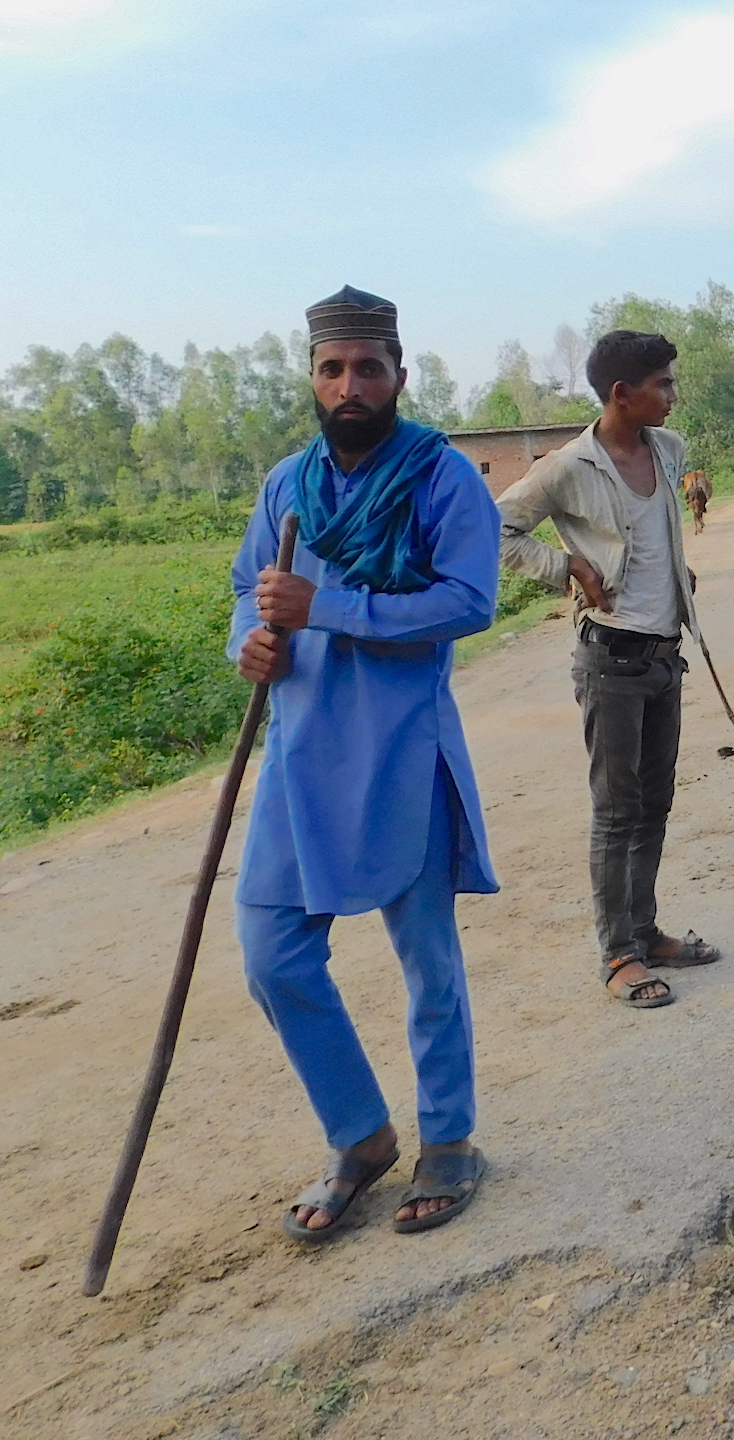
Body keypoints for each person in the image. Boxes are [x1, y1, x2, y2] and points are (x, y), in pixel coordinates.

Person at [231, 287, 501, 1243]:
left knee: (428, 962)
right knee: (272, 957)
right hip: (298, 755)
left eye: (369, 368)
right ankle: (361, 1136)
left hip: (402, 753)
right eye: (333, 369)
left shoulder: (442, 477)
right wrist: (250, 644)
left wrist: (329, 610)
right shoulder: (286, 485)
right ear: (312, 377)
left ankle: (450, 1140)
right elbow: (251, 590)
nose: (351, 385)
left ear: (399, 375)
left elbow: (469, 602)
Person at [498, 330, 717, 1010]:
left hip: (664, 657)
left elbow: (651, 533)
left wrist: (675, 571)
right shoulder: (568, 467)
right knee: (617, 812)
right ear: (622, 394)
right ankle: (618, 953)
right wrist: (564, 565)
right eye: (663, 384)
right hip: (611, 661)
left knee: (654, 804)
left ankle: (645, 931)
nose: (673, 395)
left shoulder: (668, 449)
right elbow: (494, 529)